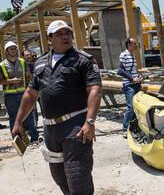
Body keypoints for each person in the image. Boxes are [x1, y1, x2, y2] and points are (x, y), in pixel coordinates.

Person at [12, 20, 102, 195]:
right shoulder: (40, 63)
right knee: (59, 177)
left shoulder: (83, 60)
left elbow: (95, 90)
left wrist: (90, 121)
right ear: (50, 38)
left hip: (76, 127)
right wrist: (18, 122)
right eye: (59, 34)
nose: (65, 36)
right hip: (51, 130)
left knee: (78, 177)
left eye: (67, 33)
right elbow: (31, 94)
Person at [0, 41, 38, 141]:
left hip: (23, 93)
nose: (14, 50)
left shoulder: (22, 62)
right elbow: (1, 81)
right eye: (11, 49)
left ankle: (34, 138)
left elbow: (29, 76)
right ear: (7, 51)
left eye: (15, 48)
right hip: (10, 96)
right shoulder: (2, 65)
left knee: (29, 115)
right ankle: (17, 139)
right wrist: (11, 81)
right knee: (13, 118)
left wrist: (32, 90)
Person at [118, 37, 142, 135]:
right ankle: (124, 129)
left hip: (136, 84)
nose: (136, 45)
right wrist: (132, 79)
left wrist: (139, 77)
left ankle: (133, 128)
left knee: (136, 107)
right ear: (129, 45)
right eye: (134, 43)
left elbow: (132, 70)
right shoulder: (124, 55)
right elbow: (120, 70)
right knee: (130, 107)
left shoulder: (132, 55)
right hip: (129, 85)